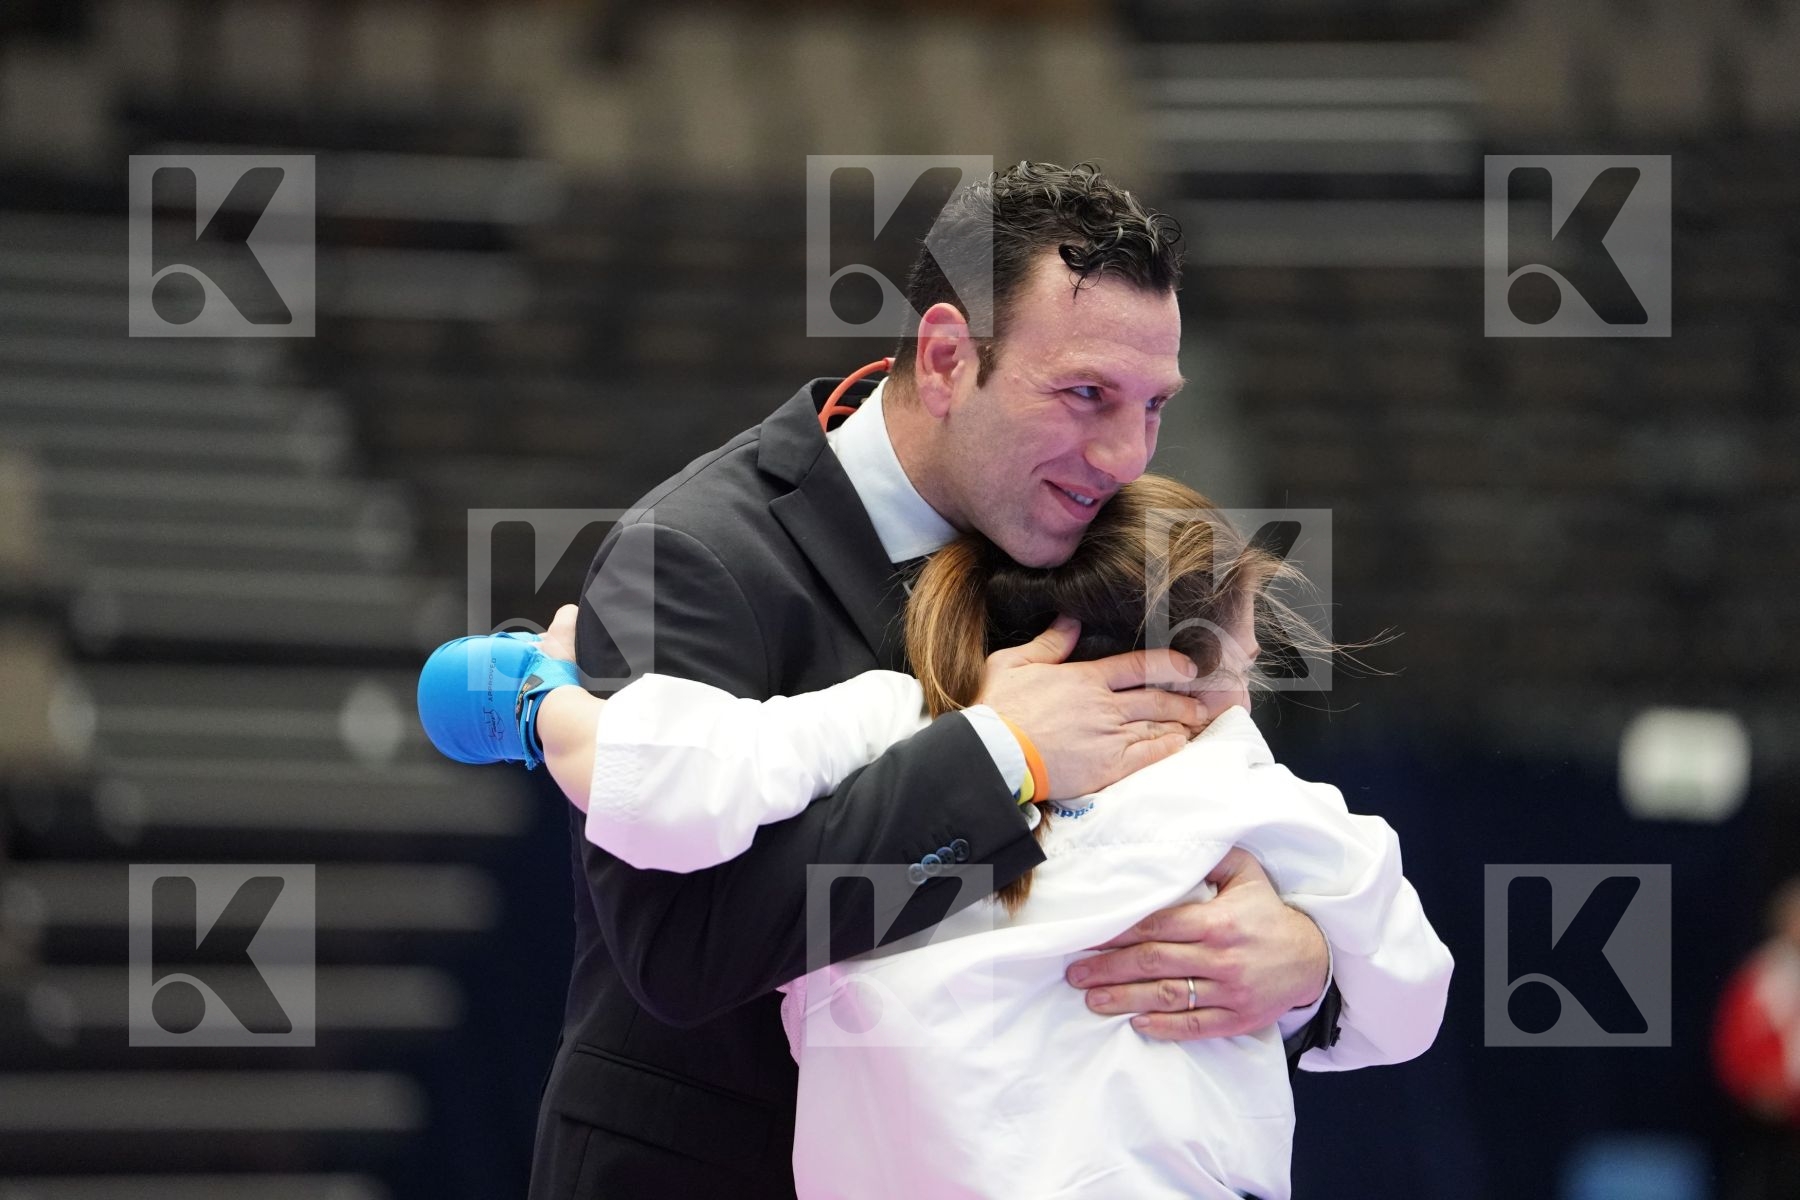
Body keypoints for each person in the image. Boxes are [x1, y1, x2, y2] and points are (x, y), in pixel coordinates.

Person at [506, 161, 1442, 1198]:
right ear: (948, 358)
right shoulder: (692, 554)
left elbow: (1153, 867)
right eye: (1087, 395)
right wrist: (1000, 756)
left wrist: (1301, 965)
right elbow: (683, 954)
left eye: (1153, 407)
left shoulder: (1083, 532)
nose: (1124, 454)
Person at [419, 475, 1453, 1197]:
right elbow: (1412, 992)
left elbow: (669, 786)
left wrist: (555, 705)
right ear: (1214, 649)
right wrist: (1323, 961)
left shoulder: (895, 728)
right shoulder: (1262, 802)